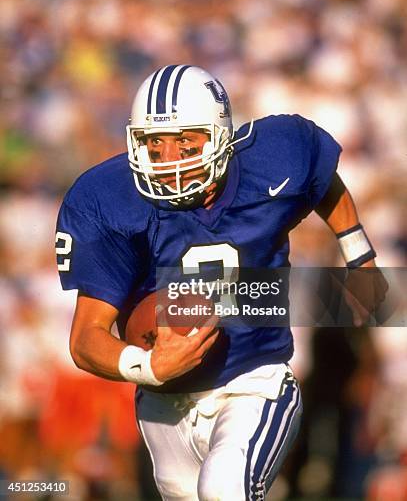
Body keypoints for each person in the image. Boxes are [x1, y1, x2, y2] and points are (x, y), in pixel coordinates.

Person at [55, 64, 387, 500]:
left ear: (219, 136)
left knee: (224, 491)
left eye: (186, 143)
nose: (170, 161)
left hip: (253, 380)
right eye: (155, 144)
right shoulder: (110, 201)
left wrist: (356, 250)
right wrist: (147, 365)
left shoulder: (275, 157)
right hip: (163, 403)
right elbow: (85, 339)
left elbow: (321, 182)